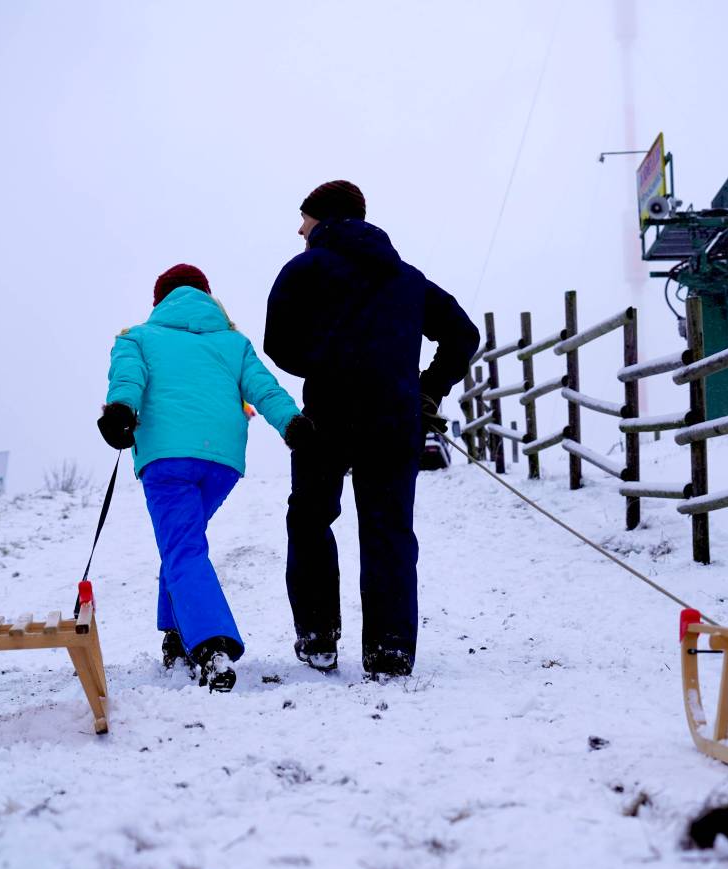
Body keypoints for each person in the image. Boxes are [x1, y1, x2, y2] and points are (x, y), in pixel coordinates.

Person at [264, 180, 480, 677]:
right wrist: (427, 389)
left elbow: (278, 344)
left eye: (305, 218)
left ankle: (318, 637)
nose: (300, 228)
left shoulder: (303, 270)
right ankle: (390, 650)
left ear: (325, 218)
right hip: (394, 417)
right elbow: (463, 334)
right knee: (388, 530)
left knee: (311, 520)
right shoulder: (406, 278)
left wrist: (324, 365)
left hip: (325, 418)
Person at [98, 264, 313, 692]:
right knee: (182, 542)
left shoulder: (137, 337)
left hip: (167, 460)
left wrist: (120, 411)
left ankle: (212, 645)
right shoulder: (233, 342)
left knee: (182, 546)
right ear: (207, 297)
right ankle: (176, 635)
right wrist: (292, 423)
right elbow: (264, 389)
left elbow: (127, 380)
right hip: (222, 462)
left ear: (160, 300)